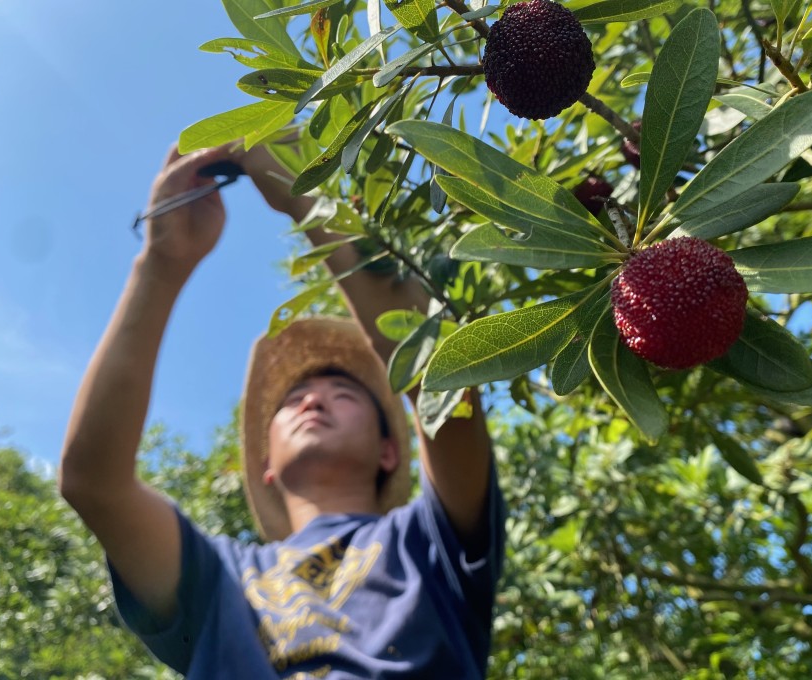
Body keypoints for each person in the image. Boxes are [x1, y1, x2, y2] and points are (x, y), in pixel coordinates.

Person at [58, 142, 505, 679]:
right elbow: (93, 482)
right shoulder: (219, 578)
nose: (312, 399)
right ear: (267, 463)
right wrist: (161, 263)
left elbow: (442, 378)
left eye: (344, 393)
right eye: (293, 401)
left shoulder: (431, 546)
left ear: (390, 450)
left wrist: (306, 197)